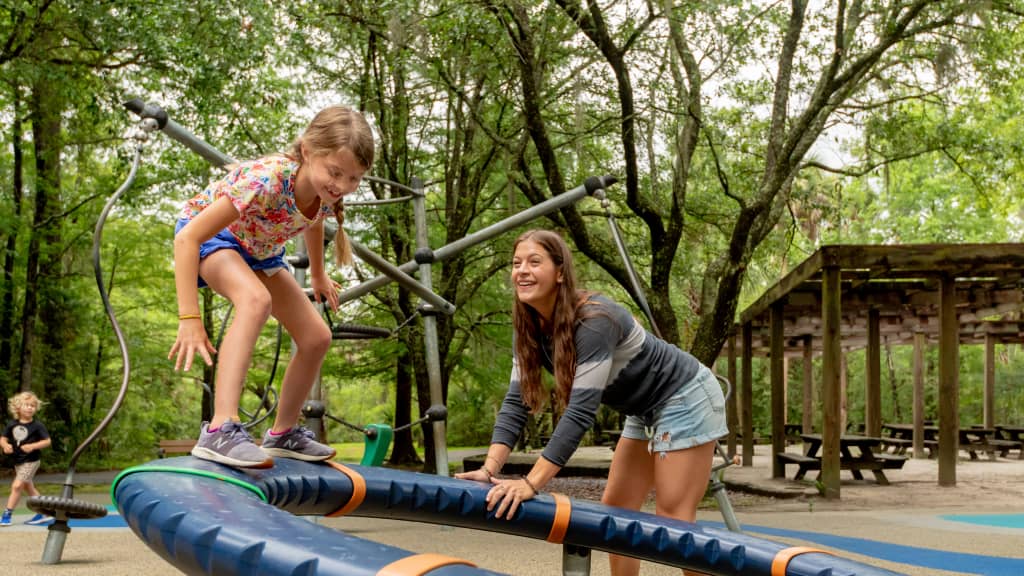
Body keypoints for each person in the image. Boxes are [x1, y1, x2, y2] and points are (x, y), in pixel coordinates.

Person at [455, 229, 727, 576]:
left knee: (673, 519)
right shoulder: (530, 327)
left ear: (560, 272)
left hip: (685, 396)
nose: (522, 270)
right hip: (642, 409)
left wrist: (531, 483)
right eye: (516, 263)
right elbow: (517, 400)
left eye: (534, 262)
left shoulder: (595, 320)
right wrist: (490, 468)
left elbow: (581, 411)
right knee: (615, 512)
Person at [168, 105, 374, 468]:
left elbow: (310, 221)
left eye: (354, 178)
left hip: (258, 253)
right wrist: (190, 318)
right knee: (254, 300)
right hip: (213, 240)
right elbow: (187, 239)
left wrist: (317, 274)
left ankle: (283, 434)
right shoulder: (266, 179)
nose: (341, 186)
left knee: (316, 336)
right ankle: (220, 428)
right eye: (335, 173)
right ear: (308, 151)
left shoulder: (326, 193)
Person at [1, 391, 53, 526]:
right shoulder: (12, 424)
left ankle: (7, 514)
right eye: (27, 405)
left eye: (33, 405)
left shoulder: (37, 425)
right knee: (29, 488)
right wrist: (5, 445)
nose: (30, 408)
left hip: (31, 461)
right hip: (18, 462)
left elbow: (47, 441)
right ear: (18, 407)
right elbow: (3, 438)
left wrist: (33, 446)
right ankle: (44, 512)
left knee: (17, 486)